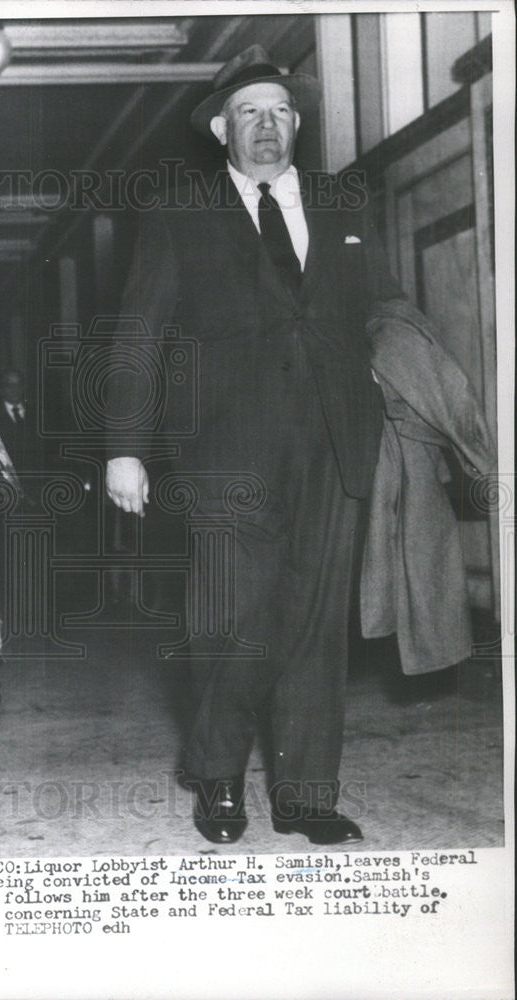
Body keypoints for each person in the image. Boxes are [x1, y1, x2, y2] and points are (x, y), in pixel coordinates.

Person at [105, 45, 405, 845]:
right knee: (234, 621)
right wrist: (123, 447)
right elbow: (139, 334)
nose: (265, 126)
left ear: (297, 122)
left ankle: (306, 796)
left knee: (313, 625)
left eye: (278, 111)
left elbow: (380, 314)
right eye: (247, 114)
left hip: (337, 445)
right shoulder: (179, 214)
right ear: (219, 130)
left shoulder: (343, 205)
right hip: (224, 451)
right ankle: (220, 776)